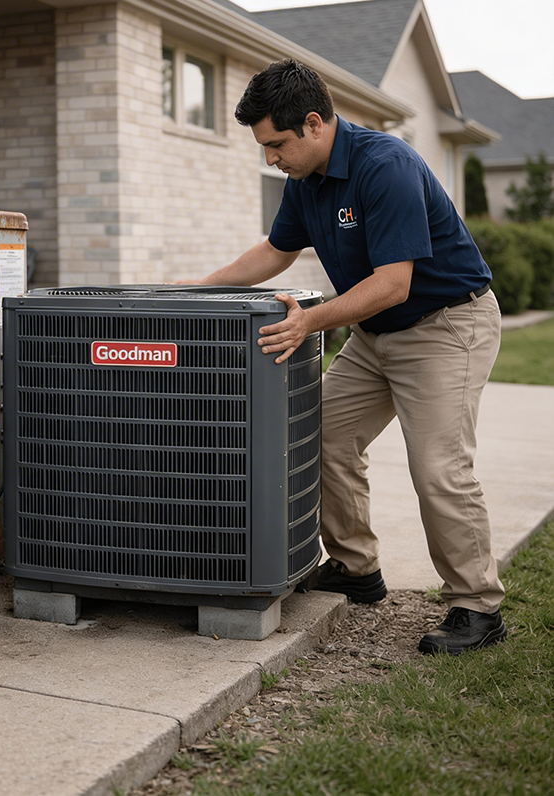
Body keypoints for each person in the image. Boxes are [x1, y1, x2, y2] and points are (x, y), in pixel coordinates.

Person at [187, 58, 506, 655]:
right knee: (322, 433)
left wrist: (307, 321)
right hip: (375, 333)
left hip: (445, 325)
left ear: (313, 123)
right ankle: (359, 570)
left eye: (276, 144)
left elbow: (393, 284)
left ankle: (477, 606)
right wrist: (193, 293)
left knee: (438, 466)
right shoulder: (305, 181)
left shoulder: (385, 165)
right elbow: (275, 253)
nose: (271, 159)